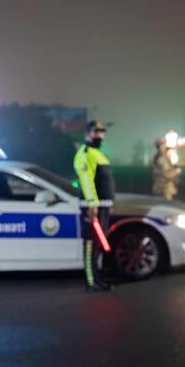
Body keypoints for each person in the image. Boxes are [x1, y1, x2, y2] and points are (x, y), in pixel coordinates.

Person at [74, 119, 115, 291]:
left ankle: (98, 278)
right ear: (88, 133)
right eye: (96, 131)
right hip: (92, 207)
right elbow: (86, 180)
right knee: (91, 244)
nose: (100, 135)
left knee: (98, 244)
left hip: (102, 206)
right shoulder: (85, 153)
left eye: (102, 132)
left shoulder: (98, 153)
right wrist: (92, 204)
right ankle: (91, 281)